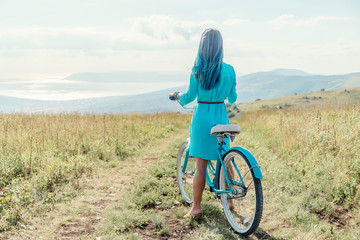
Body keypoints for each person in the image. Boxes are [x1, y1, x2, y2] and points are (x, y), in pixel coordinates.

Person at [170, 28, 237, 218]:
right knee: (225, 158)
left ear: (202, 46)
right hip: (220, 116)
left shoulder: (197, 69)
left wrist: (177, 97)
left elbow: (189, 96)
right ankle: (230, 199)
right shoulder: (229, 70)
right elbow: (232, 98)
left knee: (200, 165)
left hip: (202, 118)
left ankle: (196, 207)